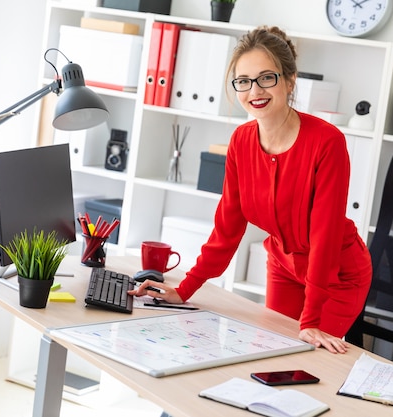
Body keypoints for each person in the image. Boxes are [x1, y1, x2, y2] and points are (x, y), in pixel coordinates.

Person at [129, 26, 372, 354]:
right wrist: (183, 291)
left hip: (338, 275)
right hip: (283, 266)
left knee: (307, 358)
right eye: (243, 81)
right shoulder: (241, 142)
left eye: (266, 78)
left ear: (289, 80)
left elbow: (325, 237)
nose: (254, 90)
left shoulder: (327, 143)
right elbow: (225, 232)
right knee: (266, 352)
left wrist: (311, 320)